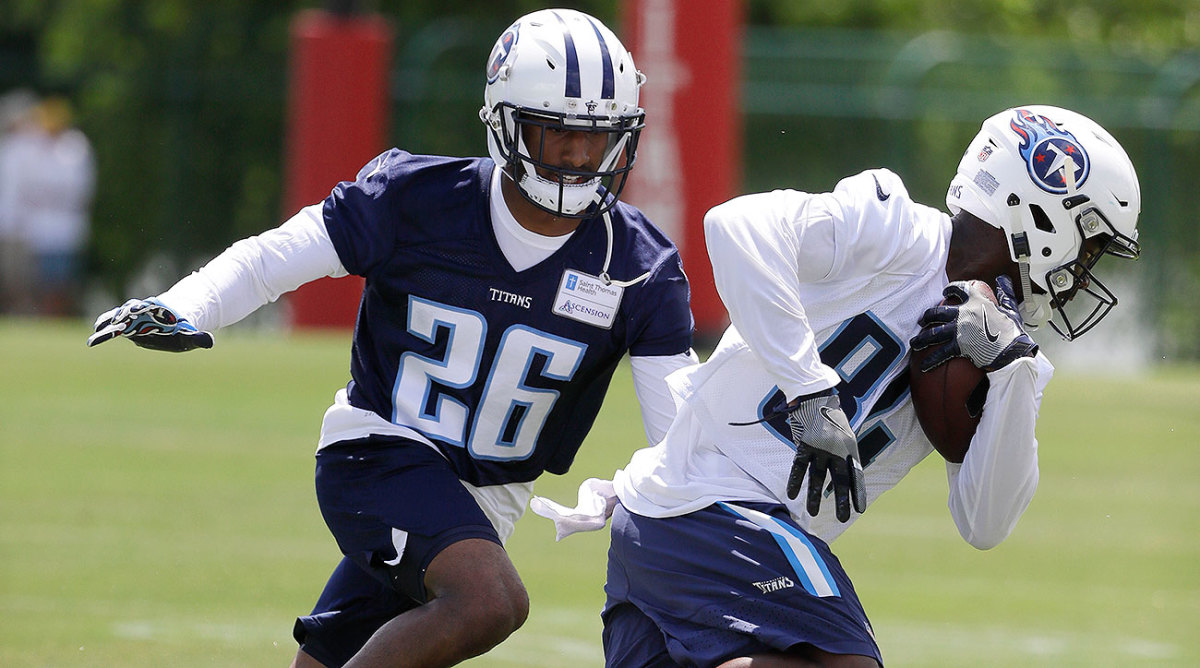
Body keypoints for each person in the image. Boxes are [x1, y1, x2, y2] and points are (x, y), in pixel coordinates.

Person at [87, 8, 695, 667]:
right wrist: (183, 306)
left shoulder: (639, 265)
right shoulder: (417, 200)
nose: (579, 157)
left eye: (597, 138)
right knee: (491, 601)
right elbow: (272, 258)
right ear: (505, 124)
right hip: (376, 454)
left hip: (484, 504)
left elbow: (682, 427)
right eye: (558, 133)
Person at [532, 105, 1141, 666]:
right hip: (708, 506)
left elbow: (985, 523)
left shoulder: (1008, 350)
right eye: (1088, 245)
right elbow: (734, 226)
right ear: (1041, 212)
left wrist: (1012, 371)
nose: (1084, 270)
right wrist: (810, 393)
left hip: (683, 529)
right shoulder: (898, 231)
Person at [0, 94, 95, 316]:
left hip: (58, 228)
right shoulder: (22, 147)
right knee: (21, 281)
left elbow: (76, 189)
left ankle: (49, 318)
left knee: (57, 282)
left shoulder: (73, 147)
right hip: (28, 227)